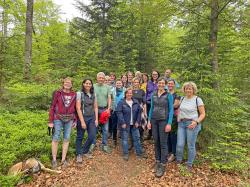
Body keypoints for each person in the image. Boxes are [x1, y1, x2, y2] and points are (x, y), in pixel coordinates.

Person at [147, 77, 174, 177]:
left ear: (165, 84)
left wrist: (169, 123)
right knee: (156, 141)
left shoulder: (169, 95)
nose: (161, 85)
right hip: (154, 121)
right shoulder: (153, 93)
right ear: (157, 84)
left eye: (163, 83)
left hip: (164, 121)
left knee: (163, 143)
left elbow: (171, 110)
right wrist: (149, 121)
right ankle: (157, 160)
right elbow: (152, 108)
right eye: (160, 83)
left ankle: (163, 164)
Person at [176, 82, 205, 170]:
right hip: (181, 124)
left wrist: (196, 122)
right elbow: (179, 109)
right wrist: (178, 117)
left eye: (190, 89)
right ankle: (179, 160)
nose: (188, 90)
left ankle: (189, 164)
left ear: (193, 90)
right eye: (186, 88)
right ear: (184, 90)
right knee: (180, 144)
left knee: (190, 145)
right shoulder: (182, 98)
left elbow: (203, 114)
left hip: (192, 124)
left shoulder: (197, 99)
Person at [48, 77, 76, 169]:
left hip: (70, 119)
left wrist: (75, 120)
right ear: (63, 83)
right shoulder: (57, 93)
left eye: (69, 83)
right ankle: (54, 160)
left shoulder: (74, 94)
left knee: (66, 138)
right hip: (58, 118)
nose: (67, 84)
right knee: (56, 138)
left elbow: (76, 108)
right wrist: (50, 121)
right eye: (66, 82)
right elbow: (52, 106)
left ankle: (63, 160)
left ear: (72, 84)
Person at [117, 88, 147, 161]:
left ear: (132, 94)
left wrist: (138, 122)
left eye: (130, 93)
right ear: (125, 94)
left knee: (137, 139)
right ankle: (126, 154)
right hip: (125, 124)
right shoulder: (121, 102)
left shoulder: (136, 102)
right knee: (125, 139)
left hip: (134, 124)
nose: (129, 94)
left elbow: (139, 113)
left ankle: (139, 154)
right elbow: (119, 113)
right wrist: (122, 122)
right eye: (128, 93)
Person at [75, 79, 98, 163]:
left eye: (90, 83)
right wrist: (82, 121)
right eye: (86, 83)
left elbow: (95, 107)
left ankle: (84, 151)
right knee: (80, 136)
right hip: (82, 117)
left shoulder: (93, 94)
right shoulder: (79, 94)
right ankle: (79, 154)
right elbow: (78, 108)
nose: (88, 85)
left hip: (91, 117)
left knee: (92, 136)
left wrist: (96, 119)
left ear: (91, 85)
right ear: (83, 84)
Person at [90, 72, 112, 154]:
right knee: (94, 128)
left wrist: (109, 109)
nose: (101, 79)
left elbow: (109, 98)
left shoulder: (107, 87)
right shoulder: (93, 87)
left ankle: (104, 144)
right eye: (100, 78)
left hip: (104, 110)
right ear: (97, 78)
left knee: (105, 129)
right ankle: (93, 143)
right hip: (94, 110)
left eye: (102, 78)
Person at [166, 79, 180, 162]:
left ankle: (174, 153)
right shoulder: (166, 93)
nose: (170, 85)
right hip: (166, 116)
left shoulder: (177, 94)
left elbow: (176, 105)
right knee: (167, 134)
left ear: (174, 85)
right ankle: (168, 151)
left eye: (171, 84)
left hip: (174, 117)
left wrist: (165, 106)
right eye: (169, 84)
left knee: (173, 136)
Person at [110, 79, 126, 146]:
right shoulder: (112, 91)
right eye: (117, 83)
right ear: (115, 84)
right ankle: (114, 139)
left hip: (123, 111)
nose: (118, 84)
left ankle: (123, 139)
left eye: (120, 83)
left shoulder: (125, 90)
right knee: (114, 125)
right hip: (114, 110)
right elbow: (109, 100)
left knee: (123, 124)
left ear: (122, 84)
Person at [145, 70, 160, 140]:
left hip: (157, 103)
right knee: (149, 118)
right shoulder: (149, 83)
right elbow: (147, 92)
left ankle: (155, 134)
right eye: (153, 74)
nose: (154, 76)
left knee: (155, 118)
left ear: (158, 75)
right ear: (151, 75)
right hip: (148, 102)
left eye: (156, 74)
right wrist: (145, 100)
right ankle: (150, 133)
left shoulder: (160, 83)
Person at [132, 77, 147, 143]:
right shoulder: (130, 91)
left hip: (141, 109)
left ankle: (140, 138)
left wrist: (145, 112)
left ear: (139, 83)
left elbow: (144, 102)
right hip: (132, 109)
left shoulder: (142, 91)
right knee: (133, 123)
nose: (136, 83)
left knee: (141, 125)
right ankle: (133, 141)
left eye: (137, 82)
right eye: (135, 82)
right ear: (133, 83)